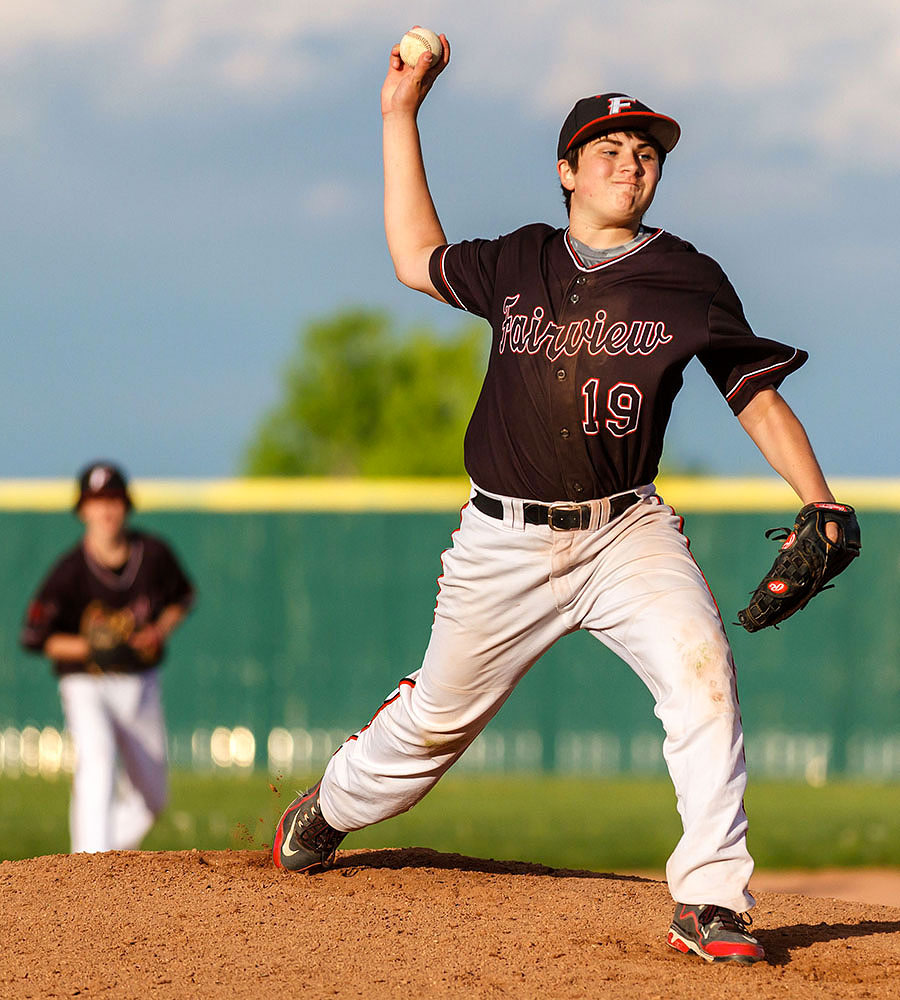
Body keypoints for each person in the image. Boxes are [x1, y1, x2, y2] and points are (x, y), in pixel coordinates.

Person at [273, 35, 851, 965]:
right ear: (567, 171)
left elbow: (753, 394)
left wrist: (821, 500)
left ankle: (711, 901)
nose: (632, 163)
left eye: (647, 151)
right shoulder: (520, 261)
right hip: (504, 540)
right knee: (435, 725)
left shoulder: (689, 279)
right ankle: (333, 805)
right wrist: (399, 115)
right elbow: (415, 256)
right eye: (611, 149)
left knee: (704, 684)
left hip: (628, 533)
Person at [21, 461, 194, 854]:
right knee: (97, 759)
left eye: (113, 500)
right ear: (82, 510)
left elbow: (182, 598)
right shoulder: (68, 572)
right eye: (96, 501)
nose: (106, 510)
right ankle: (88, 863)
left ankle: (104, 862)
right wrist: (92, 647)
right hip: (86, 681)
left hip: (140, 683)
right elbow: (38, 638)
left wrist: (159, 630)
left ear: (126, 506)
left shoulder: (153, 554)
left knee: (153, 799)